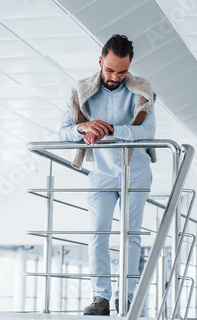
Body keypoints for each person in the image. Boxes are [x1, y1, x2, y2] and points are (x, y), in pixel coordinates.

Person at [58, 34, 156, 315]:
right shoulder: (81, 90)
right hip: (101, 173)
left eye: (122, 72)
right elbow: (63, 132)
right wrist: (83, 128)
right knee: (98, 234)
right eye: (110, 70)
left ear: (129, 68)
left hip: (135, 172)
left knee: (130, 235)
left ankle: (125, 297)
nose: (115, 77)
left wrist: (112, 129)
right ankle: (101, 298)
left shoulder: (142, 89)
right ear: (100, 62)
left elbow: (147, 133)